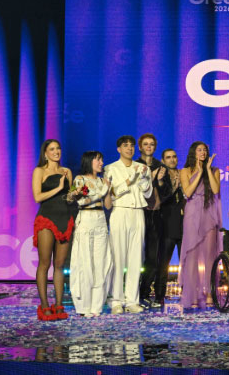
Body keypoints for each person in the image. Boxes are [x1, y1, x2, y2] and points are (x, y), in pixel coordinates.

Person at [105, 135, 153, 314]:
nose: (129, 148)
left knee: (136, 257)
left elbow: (148, 194)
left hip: (137, 212)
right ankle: (116, 300)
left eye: (132, 146)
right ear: (119, 149)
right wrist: (129, 181)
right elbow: (110, 194)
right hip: (119, 211)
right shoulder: (111, 168)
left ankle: (132, 300)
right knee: (118, 257)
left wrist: (144, 179)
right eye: (125, 146)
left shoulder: (142, 167)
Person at [32, 139, 79, 320]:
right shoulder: (40, 171)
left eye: (58, 148)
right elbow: (37, 197)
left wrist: (73, 195)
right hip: (46, 218)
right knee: (45, 263)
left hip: (64, 218)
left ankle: (59, 305)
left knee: (60, 265)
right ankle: (44, 305)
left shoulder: (67, 171)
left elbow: (69, 198)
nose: (56, 151)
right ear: (45, 153)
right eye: (52, 149)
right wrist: (58, 187)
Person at [178, 141, 222, 310]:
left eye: (204, 150)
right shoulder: (185, 171)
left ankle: (210, 293)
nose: (202, 152)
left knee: (210, 254)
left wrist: (207, 170)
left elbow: (216, 190)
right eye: (199, 150)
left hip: (209, 211)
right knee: (192, 255)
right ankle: (193, 294)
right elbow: (188, 192)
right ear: (193, 152)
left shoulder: (215, 170)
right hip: (192, 212)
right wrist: (199, 172)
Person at [70, 151, 113, 317]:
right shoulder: (79, 179)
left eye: (102, 160)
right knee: (84, 262)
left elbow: (108, 206)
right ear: (89, 161)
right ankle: (83, 306)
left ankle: (96, 306)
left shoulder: (102, 181)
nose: (101, 163)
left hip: (100, 220)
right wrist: (102, 191)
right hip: (86, 219)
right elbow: (82, 200)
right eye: (98, 160)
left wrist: (108, 189)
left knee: (100, 263)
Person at [153, 148, 185, 307]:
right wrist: (174, 186)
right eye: (168, 157)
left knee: (186, 263)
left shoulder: (183, 173)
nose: (172, 159)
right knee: (163, 263)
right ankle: (159, 296)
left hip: (184, 225)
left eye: (174, 156)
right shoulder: (161, 176)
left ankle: (188, 294)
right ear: (163, 160)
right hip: (167, 225)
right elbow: (161, 199)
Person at [136, 133, 164, 307]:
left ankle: (144, 293)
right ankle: (129, 294)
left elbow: (166, 191)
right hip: (138, 213)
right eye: (145, 144)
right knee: (134, 256)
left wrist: (159, 182)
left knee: (152, 258)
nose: (148, 147)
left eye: (151, 144)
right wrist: (150, 178)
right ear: (140, 147)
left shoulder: (160, 166)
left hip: (155, 215)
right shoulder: (135, 165)